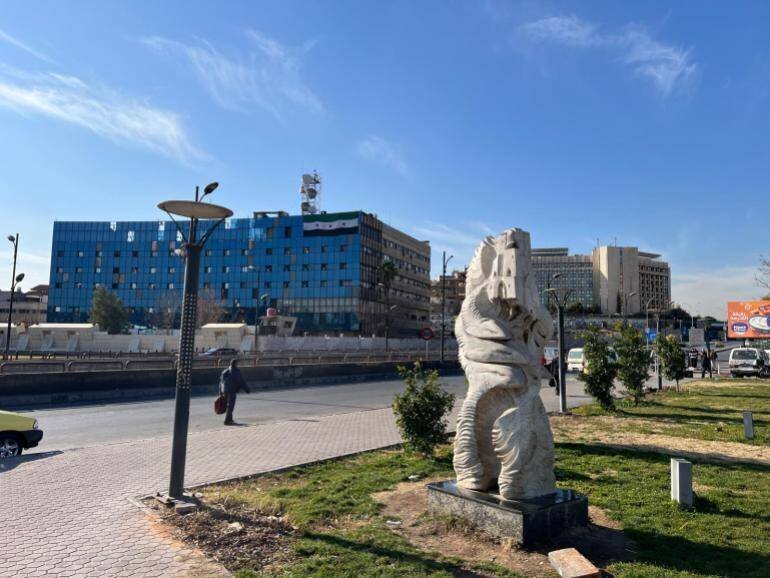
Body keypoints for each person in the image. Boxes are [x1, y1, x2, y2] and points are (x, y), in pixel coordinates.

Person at [219, 359, 250, 425]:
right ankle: (227, 421)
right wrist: (247, 390)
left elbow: (220, 382)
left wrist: (220, 392)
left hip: (224, 390)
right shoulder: (236, 371)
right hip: (231, 390)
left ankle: (230, 419)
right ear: (235, 364)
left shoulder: (224, 371)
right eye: (237, 364)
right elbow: (241, 381)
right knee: (230, 406)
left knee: (228, 405)